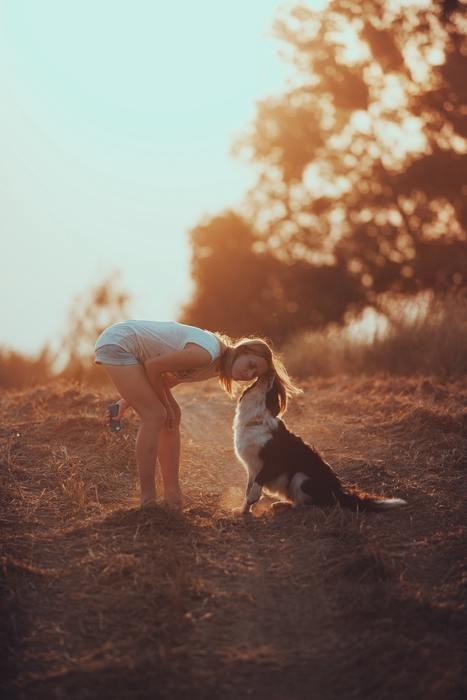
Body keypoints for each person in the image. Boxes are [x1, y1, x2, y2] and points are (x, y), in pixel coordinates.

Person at [94, 319, 299, 508]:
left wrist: (124, 403)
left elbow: (164, 381)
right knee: (156, 415)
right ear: (242, 350)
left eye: (254, 375)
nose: (248, 375)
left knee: (171, 416)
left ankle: (172, 494)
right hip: (119, 343)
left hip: (129, 348)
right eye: (251, 365)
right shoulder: (206, 354)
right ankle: (148, 499)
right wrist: (166, 405)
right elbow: (153, 367)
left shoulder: (213, 366)